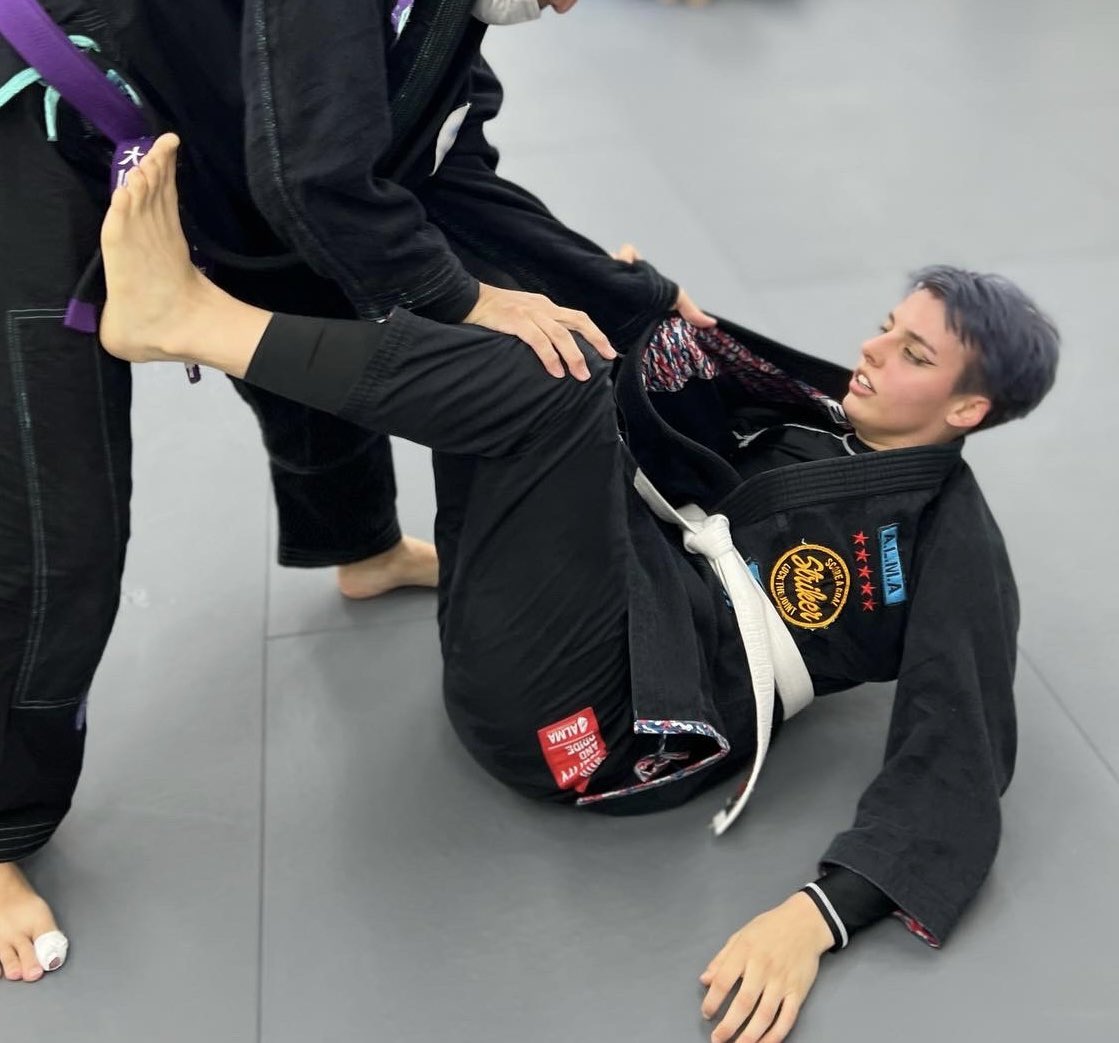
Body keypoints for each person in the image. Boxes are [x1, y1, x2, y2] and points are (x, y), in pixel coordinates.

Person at [96, 135, 1059, 1043]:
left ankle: (191, 319)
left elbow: (959, 744)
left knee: (544, 380)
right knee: (515, 311)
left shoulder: (949, 538)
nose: (873, 353)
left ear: (969, 408)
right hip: (576, 619)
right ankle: (323, 449)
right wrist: (612, 305)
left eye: (913, 356)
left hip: (609, 727)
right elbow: (675, 384)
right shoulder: (815, 411)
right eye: (887, 329)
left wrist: (815, 920)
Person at [0, 0, 711, 981]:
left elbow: (449, 176)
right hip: (41, 123)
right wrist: (464, 299)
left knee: (318, 291)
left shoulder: (450, 28)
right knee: (57, 530)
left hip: (195, 130)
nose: (565, 6)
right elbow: (316, 178)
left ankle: (362, 549)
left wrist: (635, 298)